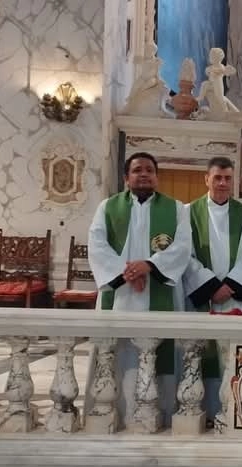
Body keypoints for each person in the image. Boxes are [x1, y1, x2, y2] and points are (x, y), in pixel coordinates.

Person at [88, 152, 192, 429]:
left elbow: (182, 246)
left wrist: (149, 265)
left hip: (159, 289)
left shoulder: (177, 209)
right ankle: (116, 410)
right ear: (126, 177)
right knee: (118, 353)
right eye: (137, 170)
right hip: (119, 293)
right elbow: (97, 245)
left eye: (149, 170)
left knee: (161, 352)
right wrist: (126, 273)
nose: (144, 174)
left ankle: (161, 412)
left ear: (156, 176)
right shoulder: (107, 208)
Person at [182, 157, 242, 424]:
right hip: (203, 300)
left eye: (227, 178)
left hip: (233, 299)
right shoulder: (187, 212)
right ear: (206, 179)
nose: (222, 183)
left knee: (233, 353)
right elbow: (185, 255)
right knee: (202, 354)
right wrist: (209, 287)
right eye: (217, 177)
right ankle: (201, 407)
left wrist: (229, 286)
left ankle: (234, 410)